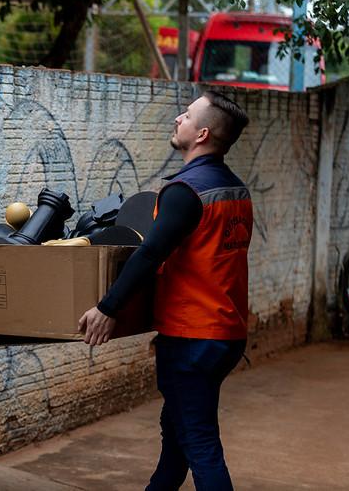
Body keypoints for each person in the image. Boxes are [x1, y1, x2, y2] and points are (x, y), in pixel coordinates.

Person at [79, 90, 252, 491]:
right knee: (177, 438)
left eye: (188, 115)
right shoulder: (235, 190)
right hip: (225, 333)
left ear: (203, 133)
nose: (178, 118)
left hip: (193, 337)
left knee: (200, 443)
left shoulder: (186, 191)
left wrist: (108, 307)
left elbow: (150, 252)